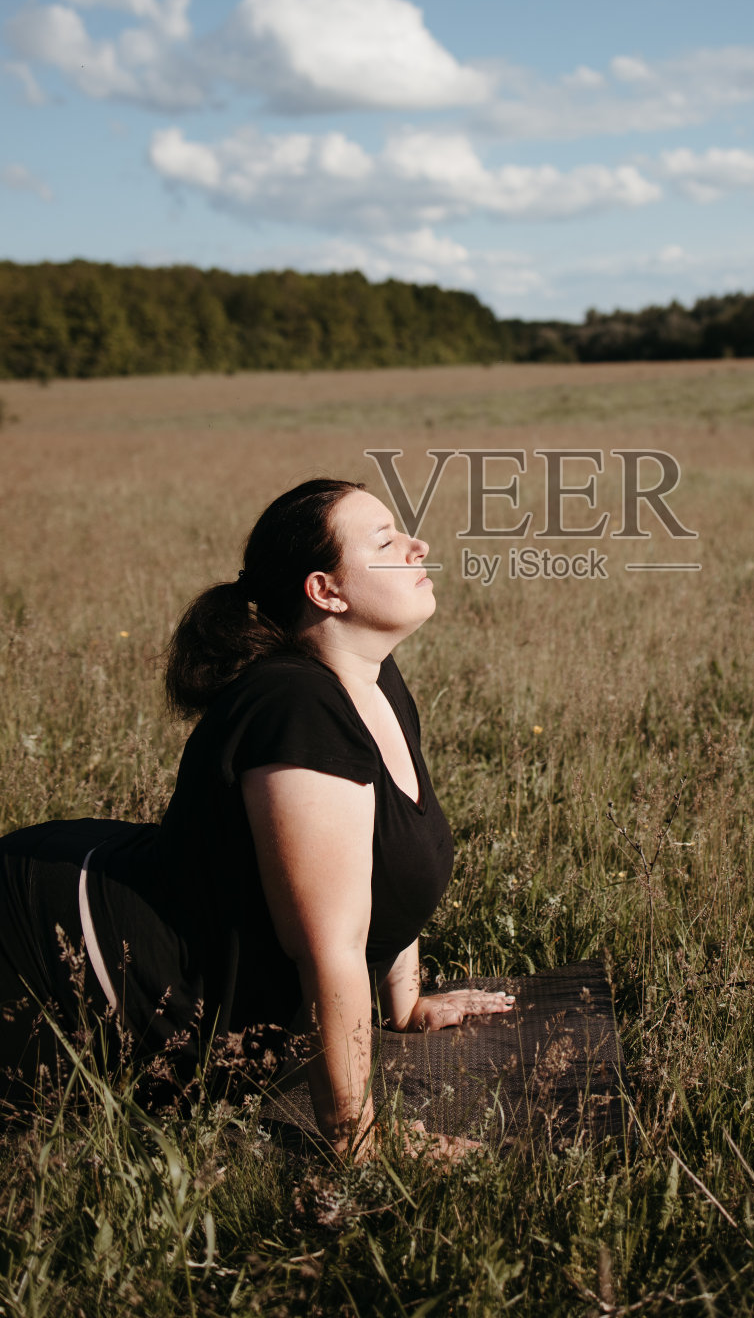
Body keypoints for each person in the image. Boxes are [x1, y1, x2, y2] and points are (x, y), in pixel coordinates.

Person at [0, 476, 514, 1154]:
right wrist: (358, 1140)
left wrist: (405, 1006)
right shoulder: (296, 710)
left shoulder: (373, 677)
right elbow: (326, 946)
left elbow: (385, 860)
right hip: (62, 955)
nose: (419, 546)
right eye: (386, 541)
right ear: (325, 591)